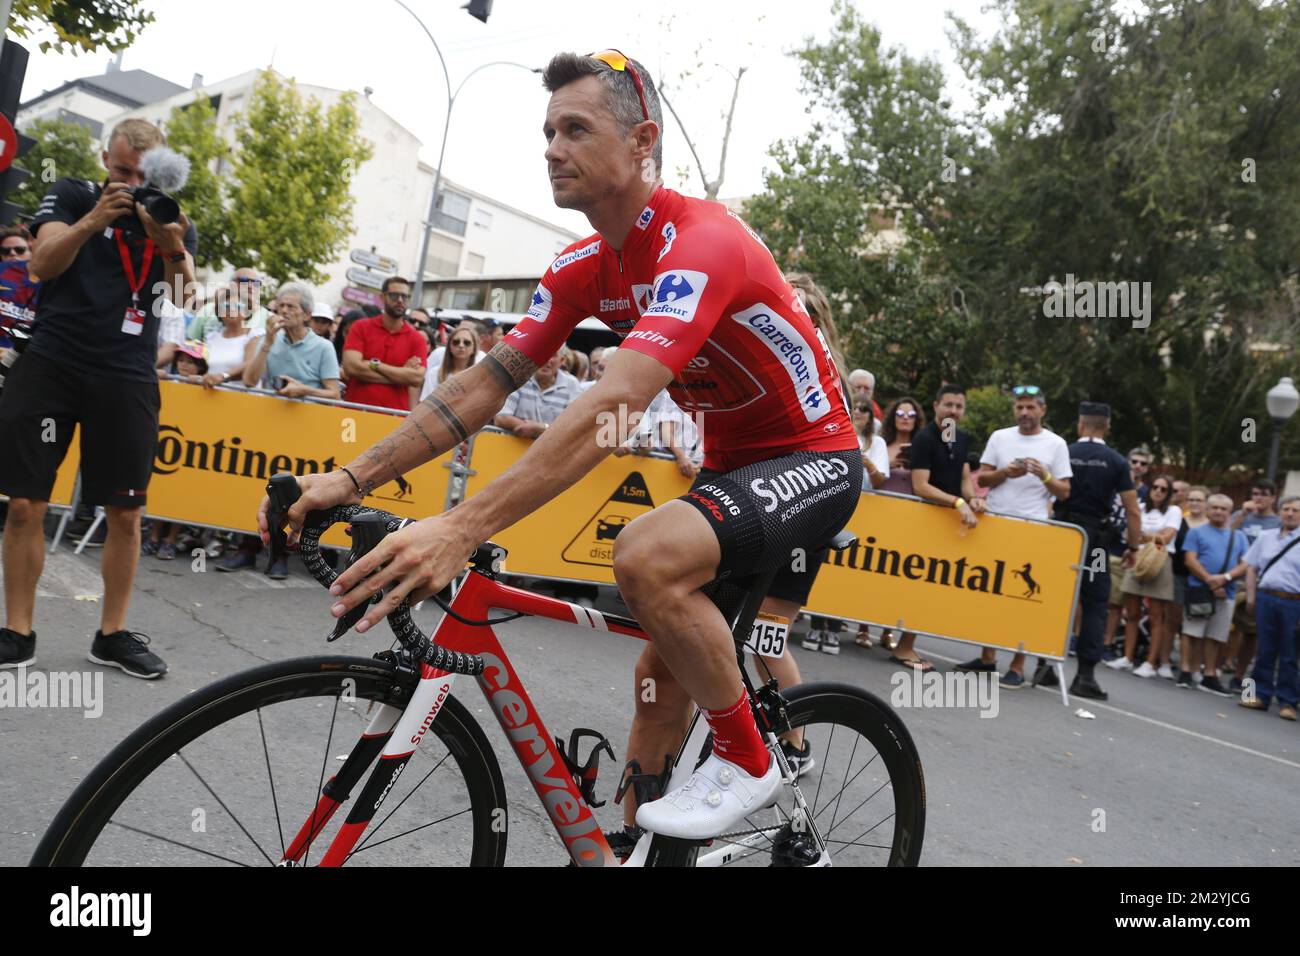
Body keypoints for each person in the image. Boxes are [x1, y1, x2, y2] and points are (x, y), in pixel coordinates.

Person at [261, 49, 860, 850]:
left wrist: (459, 527)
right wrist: (350, 474)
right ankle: (628, 848)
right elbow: (483, 386)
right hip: (732, 466)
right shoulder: (583, 266)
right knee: (656, 680)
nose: (551, 147)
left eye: (575, 128)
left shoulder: (703, 239)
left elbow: (616, 400)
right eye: (547, 131)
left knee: (645, 557)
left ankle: (752, 759)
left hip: (813, 457)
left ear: (643, 140)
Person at [0, 117, 197, 678]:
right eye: (121, 170)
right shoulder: (71, 194)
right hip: (52, 361)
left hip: (127, 372)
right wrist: (94, 219)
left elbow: (182, 297)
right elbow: (41, 263)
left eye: (141, 173)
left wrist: (170, 243)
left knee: (126, 512)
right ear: (104, 160)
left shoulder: (169, 214)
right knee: (22, 503)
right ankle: (16, 632)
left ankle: (111, 635)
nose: (131, 182)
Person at [961, 385, 1072, 687]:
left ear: (1042, 410)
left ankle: (1018, 665)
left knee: (1019, 598)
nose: (1024, 413)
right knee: (991, 592)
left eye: (1030, 407)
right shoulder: (1000, 437)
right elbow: (982, 478)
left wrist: (1044, 475)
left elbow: (1064, 491)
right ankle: (986, 658)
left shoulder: (1056, 444)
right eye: (1020, 407)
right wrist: (1004, 474)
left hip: (1032, 527)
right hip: (997, 522)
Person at [1045, 402, 1141, 700]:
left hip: (1062, 535)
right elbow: (1132, 510)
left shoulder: (1064, 452)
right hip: (1097, 543)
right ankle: (1084, 675)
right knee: (1096, 604)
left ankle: (1043, 664)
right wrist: (1133, 547)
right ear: (1107, 427)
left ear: (1080, 425)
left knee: (1053, 597)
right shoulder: (1116, 461)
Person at [904, 384, 986, 672]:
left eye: (959, 406)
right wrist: (958, 503)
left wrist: (973, 498)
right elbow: (920, 485)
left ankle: (904, 642)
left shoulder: (960, 438)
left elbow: (964, 477)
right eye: (948, 405)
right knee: (919, 585)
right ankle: (903, 646)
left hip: (948, 525)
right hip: (926, 522)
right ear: (936, 406)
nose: (953, 410)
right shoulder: (925, 439)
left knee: (930, 587)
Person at [1106, 475, 1182, 677]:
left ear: (1169, 493)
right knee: (1131, 612)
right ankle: (1127, 657)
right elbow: (1128, 534)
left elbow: (1166, 538)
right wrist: (1147, 536)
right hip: (1137, 557)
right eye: (1155, 487)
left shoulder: (1174, 511)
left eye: (1163, 489)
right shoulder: (1140, 505)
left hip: (1159, 562)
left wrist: (1144, 535)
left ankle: (1150, 663)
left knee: (1157, 616)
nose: (1157, 491)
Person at [1179, 494, 1249, 695]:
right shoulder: (1196, 532)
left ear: (1230, 512)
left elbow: (1245, 564)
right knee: (1191, 631)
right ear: (1208, 510)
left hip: (1226, 592)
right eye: (1214, 507)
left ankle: (1209, 674)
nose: (1218, 511)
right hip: (1199, 590)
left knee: (1216, 635)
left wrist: (1225, 578)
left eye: (1223, 508)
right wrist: (1210, 580)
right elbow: (1190, 560)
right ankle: (1185, 670)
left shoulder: (1240, 537)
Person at [1238, 495, 1300, 720]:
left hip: (1293, 601)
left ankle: (1288, 702)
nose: (1290, 514)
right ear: (1280, 511)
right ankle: (1254, 695)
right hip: (1265, 597)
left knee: (1289, 653)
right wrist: (1251, 597)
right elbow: (1252, 568)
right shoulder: (1265, 537)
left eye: (1295, 510)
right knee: (1262, 650)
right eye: (1286, 509)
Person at [1224, 479, 1282, 690]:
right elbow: (1225, 534)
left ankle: (1240, 676)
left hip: (1255, 580)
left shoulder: (1277, 522)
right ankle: (1213, 668)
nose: (1258, 498)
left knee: (1251, 632)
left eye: (1264, 494)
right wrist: (1242, 515)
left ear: (1273, 498)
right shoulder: (1241, 515)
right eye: (1255, 493)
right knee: (1225, 626)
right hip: (1232, 576)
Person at [340, 276, 427, 410]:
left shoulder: (417, 339)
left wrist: (375, 365)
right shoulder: (361, 327)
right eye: (394, 296)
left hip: (394, 419)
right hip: (354, 414)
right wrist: (401, 375)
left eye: (405, 297)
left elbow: (416, 378)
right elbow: (351, 367)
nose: (400, 300)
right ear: (382, 297)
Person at [242, 282, 340, 400]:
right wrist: (267, 343)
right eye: (281, 306)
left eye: (290, 307)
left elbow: (334, 394)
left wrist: (303, 390)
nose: (284, 311)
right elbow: (249, 382)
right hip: (270, 413)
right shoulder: (269, 338)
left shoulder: (324, 347)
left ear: (307, 315)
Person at [1171, 485, 1210, 683]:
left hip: (1200, 580)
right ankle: (1166, 663)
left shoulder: (1211, 526)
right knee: (1173, 621)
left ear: (1206, 504)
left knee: (1197, 626)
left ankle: (1195, 667)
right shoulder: (1178, 521)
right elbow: (1166, 544)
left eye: (1199, 500)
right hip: (1177, 575)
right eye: (1191, 499)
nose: (1194, 503)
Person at [493, 351, 581, 436]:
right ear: (534, 355)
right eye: (542, 353)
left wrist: (542, 428)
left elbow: (574, 425)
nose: (547, 360)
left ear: (561, 360)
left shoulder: (571, 384)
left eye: (553, 355)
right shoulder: (519, 376)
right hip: (512, 447)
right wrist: (537, 430)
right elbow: (501, 417)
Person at [187, 267, 270, 340]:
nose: (250, 286)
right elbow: (190, 340)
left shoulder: (268, 318)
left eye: (256, 283)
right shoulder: (208, 309)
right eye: (244, 280)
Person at [201, 293, 260, 388]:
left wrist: (223, 376)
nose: (232, 310)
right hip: (211, 396)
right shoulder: (211, 337)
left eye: (238, 306)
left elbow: (250, 363)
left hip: (242, 397)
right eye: (226, 306)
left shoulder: (254, 335)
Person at [419, 324, 478, 400]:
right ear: (449, 347)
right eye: (456, 342)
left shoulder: (479, 377)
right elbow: (425, 403)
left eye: (467, 342)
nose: (461, 345)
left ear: (474, 348)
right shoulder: (434, 373)